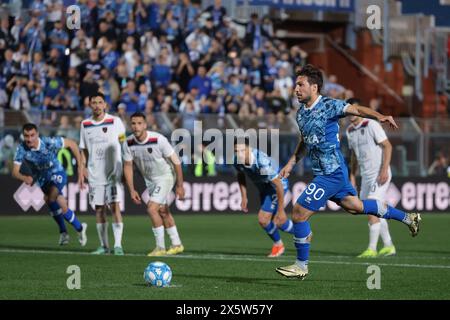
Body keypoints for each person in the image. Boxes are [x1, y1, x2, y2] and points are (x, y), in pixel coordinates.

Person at [275, 64, 421, 279]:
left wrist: (379, 115)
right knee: (356, 207)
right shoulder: (301, 114)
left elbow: (357, 110)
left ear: (314, 87)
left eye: (300, 84)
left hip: (331, 172)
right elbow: (305, 142)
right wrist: (291, 163)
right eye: (296, 84)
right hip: (333, 172)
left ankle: (301, 265)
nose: (296, 89)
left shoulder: (329, 105)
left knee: (298, 213)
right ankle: (409, 218)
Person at [12, 123, 87, 246]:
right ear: (23, 136)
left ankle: (63, 233)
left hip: (57, 172)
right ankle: (80, 228)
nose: (29, 139)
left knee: (50, 198)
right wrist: (24, 177)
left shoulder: (48, 142)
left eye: (32, 135)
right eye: (26, 136)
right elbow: (15, 172)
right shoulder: (21, 149)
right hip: (43, 179)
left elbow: (72, 144)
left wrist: (80, 167)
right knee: (62, 206)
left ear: (37, 135)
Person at [123, 112, 185, 256]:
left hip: (165, 176)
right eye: (133, 123)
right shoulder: (128, 143)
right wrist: (132, 190)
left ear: (145, 125)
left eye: (139, 123)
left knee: (152, 209)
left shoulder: (158, 139)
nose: (136, 126)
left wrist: (180, 185)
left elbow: (176, 161)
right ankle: (177, 244)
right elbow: (127, 166)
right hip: (150, 180)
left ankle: (160, 247)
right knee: (163, 211)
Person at [346, 98, 396, 258]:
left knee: (371, 209)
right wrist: (352, 176)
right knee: (374, 209)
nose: (351, 113)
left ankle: (372, 249)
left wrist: (384, 170)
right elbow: (353, 156)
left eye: (354, 109)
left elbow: (388, 145)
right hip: (366, 177)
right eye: (349, 110)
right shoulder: (349, 131)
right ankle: (389, 246)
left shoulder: (371, 124)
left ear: (359, 110)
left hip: (379, 174)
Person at [79, 92, 126, 255]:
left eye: (100, 102)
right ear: (90, 105)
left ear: (105, 105)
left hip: (113, 174)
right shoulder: (85, 124)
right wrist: (81, 170)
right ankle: (104, 246)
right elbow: (83, 150)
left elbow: (123, 143)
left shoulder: (115, 121)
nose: (97, 105)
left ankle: (118, 245)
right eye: (94, 102)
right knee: (99, 209)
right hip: (94, 174)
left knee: (115, 207)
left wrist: (127, 168)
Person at [234, 137, 294, 258]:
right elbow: (240, 175)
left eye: (242, 150)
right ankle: (302, 233)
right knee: (276, 223)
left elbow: (278, 185)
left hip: (276, 187)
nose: (239, 154)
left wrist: (281, 211)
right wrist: (244, 196)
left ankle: (279, 245)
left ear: (248, 149)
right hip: (264, 188)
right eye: (236, 151)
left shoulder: (261, 161)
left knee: (263, 219)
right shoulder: (237, 161)